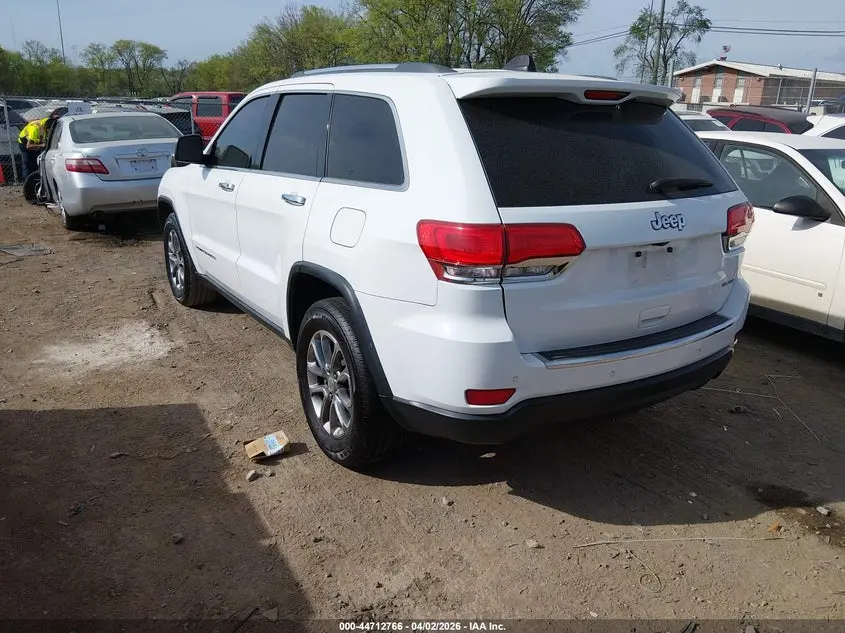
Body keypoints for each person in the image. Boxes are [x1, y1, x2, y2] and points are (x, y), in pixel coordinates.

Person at [17, 107, 67, 180]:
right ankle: (27, 181)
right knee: (28, 164)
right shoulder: (35, 129)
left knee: (39, 162)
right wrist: (42, 145)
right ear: (46, 128)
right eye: (49, 131)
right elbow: (29, 146)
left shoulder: (49, 122)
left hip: (38, 142)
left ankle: (39, 179)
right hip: (25, 144)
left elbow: (53, 119)